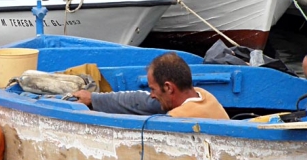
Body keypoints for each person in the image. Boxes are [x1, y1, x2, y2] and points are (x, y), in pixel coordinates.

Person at [71, 51, 229, 119]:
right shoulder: (204, 95)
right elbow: (143, 101)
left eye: (153, 89)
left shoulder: (177, 119)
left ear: (168, 87)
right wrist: (94, 98)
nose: (152, 94)